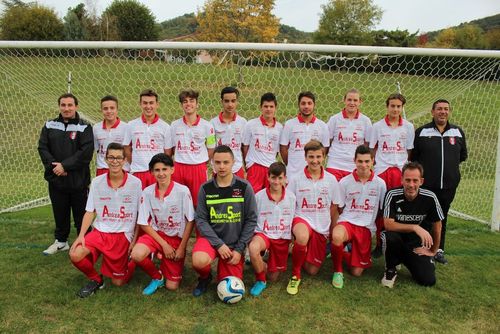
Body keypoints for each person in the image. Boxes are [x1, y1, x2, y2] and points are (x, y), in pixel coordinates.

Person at [69, 143, 142, 298]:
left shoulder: (135, 183)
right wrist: (81, 235)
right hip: (101, 231)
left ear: (124, 160)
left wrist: (134, 241)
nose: (114, 161)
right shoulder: (97, 182)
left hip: (123, 234)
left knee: (118, 283)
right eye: (111, 157)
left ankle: (133, 261)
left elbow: (139, 216)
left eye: (118, 158)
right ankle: (96, 279)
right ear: (105, 159)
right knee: (75, 254)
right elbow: (90, 211)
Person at [191, 145, 257, 297]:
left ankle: (226, 268)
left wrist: (240, 249)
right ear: (212, 163)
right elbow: (200, 219)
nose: (221, 166)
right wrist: (218, 244)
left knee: (230, 284)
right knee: (199, 261)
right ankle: (205, 277)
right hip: (211, 240)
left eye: (226, 162)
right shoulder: (205, 188)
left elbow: (251, 219)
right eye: (217, 162)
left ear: (233, 162)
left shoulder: (244, 187)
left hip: (234, 244)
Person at [412, 99, 467, 265]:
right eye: (439, 109)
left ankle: (438, 250)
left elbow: (462, 156)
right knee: (424, 217)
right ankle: (422, 247)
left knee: (442, 216)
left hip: (448, 186)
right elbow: (414, 157)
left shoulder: (457, 132)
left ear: (449, 112)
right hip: (427, 185)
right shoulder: (422, 132)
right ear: (432, 111)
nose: (443, 112)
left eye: (446, 109)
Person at [38, 93, 94, 255]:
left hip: (77, 180)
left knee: (80, 214)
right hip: (56, 178)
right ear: (59, 106)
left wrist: (65, 166)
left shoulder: (84, 127)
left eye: (70, 105)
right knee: (60, 211)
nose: (66, 108)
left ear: (76, 106)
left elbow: (85, 153)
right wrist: (55, 167)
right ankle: (61, 241)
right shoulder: (49, 125)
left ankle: (85, 241)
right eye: (63, 105)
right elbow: (43, 148)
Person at [131, 153, 194, 295]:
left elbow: (191, 220)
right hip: (157, 236)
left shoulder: (183, 191)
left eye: (164, 169)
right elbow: (143, 223)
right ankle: (157, 276)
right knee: (137, 254)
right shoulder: (147, 192)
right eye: (157, 170)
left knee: (172, 286)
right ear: (151, 172)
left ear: (172, 169)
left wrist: (182, 248)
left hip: (176, 239)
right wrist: (164, 245)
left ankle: (167, 261)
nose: (161, 173)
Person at [286, 140, 342, 295]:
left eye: (318, 156)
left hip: (321, 227)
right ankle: (295, 275)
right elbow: (289, 205)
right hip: (301, 219)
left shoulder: (331, 180)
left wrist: (331, 230)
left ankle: (298, 251)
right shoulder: (296, 179)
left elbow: (335, 206)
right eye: (311, 157)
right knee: (302, 236)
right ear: (305, 157)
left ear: (324, 157)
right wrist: (291, 234)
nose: (315, 160)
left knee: (312, 270)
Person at [330, 145, 386, 289]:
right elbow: (339, 208)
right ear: (354, 161)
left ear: (373, 161)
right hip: (348, 222)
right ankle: (337, 271)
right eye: (360, 161)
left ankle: (344, 251)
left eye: (367, 161)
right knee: (337, 236)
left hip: (366, 227)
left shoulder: (380, 184)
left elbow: (381, 210)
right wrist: (333, 228)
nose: (363, 165)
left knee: (356, 272)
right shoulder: (344, 182)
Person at [381, 161, 444, 288]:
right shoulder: (392, 195)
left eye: (415, 181)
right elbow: (388, 225)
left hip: (416, 245)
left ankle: (405, 259)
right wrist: (414, 227)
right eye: (407, 180)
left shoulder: (430, 197)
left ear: (421, 181)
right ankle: (391, 268)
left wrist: (433, 250)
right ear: (401, 180)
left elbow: (438, 226)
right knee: (389, 236)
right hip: (396, 240)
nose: (411, 184)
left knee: (428, 280)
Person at [369, 93, 414, 256]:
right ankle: (380, 243)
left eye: (398, 106)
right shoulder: (377, 126)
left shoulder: (409, 127)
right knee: (381, 207)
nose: (395, 109)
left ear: (402, 108)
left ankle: (399, 242)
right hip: (382, 171)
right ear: (387, 107)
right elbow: (373, 149)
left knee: (398, 207)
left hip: (399, 172)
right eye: (392, 106)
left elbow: (409, 151)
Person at [248, 162, 295, 296]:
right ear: (268, 177)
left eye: (280, 178)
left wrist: (292, 238)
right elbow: (252, 218)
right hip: (264, 234)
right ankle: (260, 280)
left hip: (281, 237)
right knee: (253, 248)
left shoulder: (291, 197)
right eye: (273, 178)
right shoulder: (258, 197)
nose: (276, 181)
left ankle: (261, 263)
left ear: (285, 178)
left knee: (273, 277)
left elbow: (293, 219)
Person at [170, 89, 216, 207]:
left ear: (197, 104)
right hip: (179, 167)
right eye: (185, 101)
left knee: (198, 203)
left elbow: (211, 148)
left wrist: (202, 162)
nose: (188, 104)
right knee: (178, 202)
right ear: (182, 105)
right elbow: (172, 148)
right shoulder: (174, 125)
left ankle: (198, 226)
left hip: (198, 168)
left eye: (191, 101)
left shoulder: (207, 126)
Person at [124, 89, 173, 189]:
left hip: (157, 174)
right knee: (137, 204)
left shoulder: (165, 127)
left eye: (151, 103)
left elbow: (167, 153)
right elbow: (126, 149)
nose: (148, 106)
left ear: (157, 104)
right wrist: (136, 162)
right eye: (145, 103)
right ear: (140, 104)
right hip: (137, 172)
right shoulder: (131, 125)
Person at [280, 91, 330, 178]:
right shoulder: (289, 124)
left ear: (314, 105)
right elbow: (283, 148)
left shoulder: (323, 126)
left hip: (314, 175)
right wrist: (291, 164)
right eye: (303, 103)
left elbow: (324, 149)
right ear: (299, 105)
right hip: (293, 174)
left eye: (309, 103)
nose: (306, 106)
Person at [326, 89, 372, 181]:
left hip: (354, 166)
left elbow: (367, 145)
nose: (352, 103)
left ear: (360, 102)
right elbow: (327, 142)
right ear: (344, 100)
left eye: (355, 100)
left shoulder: (366, 121)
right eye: (349, 100)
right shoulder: (334, 119)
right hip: (335, 164)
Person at [242, 92, 283, 193]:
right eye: (265, 106)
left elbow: (277, 151)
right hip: (255, 166)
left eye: (271, 106)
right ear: (261, 107)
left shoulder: (280, 128)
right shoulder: (251, 124)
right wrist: (248, 165)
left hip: (270, 168)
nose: (268, 109)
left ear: (275, 108)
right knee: (253, 197)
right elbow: (245, 147)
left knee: (269, 197)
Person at [210, 86, 247, 178]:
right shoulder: (212, 123)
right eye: (226, 101)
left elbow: (244, 147)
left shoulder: (243, 122)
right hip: (219, 169)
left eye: (233, 101)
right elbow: (210, 147)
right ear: (221, 101)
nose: (230, 105)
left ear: (237, 102)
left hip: (237, 168)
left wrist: (246, 167)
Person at [93, 95, 129, 176]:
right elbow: (97, 149)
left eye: (112, 108)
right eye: (105, 108)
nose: (109, 111)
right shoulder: (96, 128)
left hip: (122, 169)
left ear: (117, 109)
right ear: (101, 110)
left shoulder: (126, 127)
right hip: (102, 169)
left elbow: (128, 151)